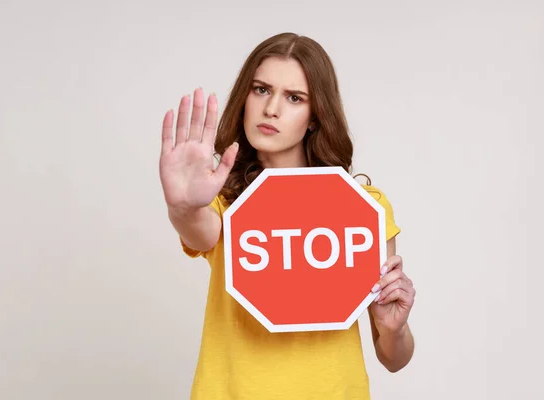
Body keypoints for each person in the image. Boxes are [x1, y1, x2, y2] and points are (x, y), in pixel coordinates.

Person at [159, 32, 416, 400]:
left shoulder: (364, 207)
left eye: (294, 97)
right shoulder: (224, 201)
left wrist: (394, 329)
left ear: (315, 116)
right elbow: (199, 230)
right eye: (261, 89)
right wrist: (182, 206)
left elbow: (393, 358)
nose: (271, 108)